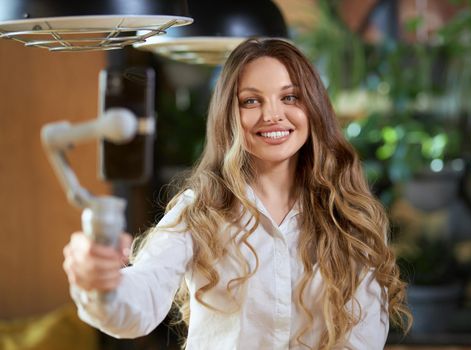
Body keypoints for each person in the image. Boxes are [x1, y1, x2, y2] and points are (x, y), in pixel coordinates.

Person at [62, 37, 411, 349]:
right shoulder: (198, 210)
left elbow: (363, 336)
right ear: (228, 115)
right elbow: (139, 302)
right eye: (250, 101)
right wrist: (100, 285)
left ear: (313, 108)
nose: (272, 115)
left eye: (289, 97)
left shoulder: (347, 213)